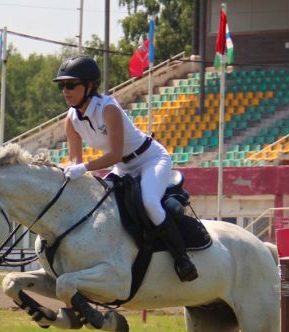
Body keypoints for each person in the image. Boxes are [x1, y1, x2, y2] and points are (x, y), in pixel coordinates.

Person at [55, 55, 198, 282]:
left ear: (90, 86)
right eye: (63, 85)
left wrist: (82, 168)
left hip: (150, 159)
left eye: (71, 85)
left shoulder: (108, 108)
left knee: (149, 202)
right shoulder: (71, 119)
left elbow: (114, 154)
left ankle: (182, 259)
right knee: (103, 205)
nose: (65, 90)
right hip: (123, 166)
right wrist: (68, 172)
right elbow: (76, 160)